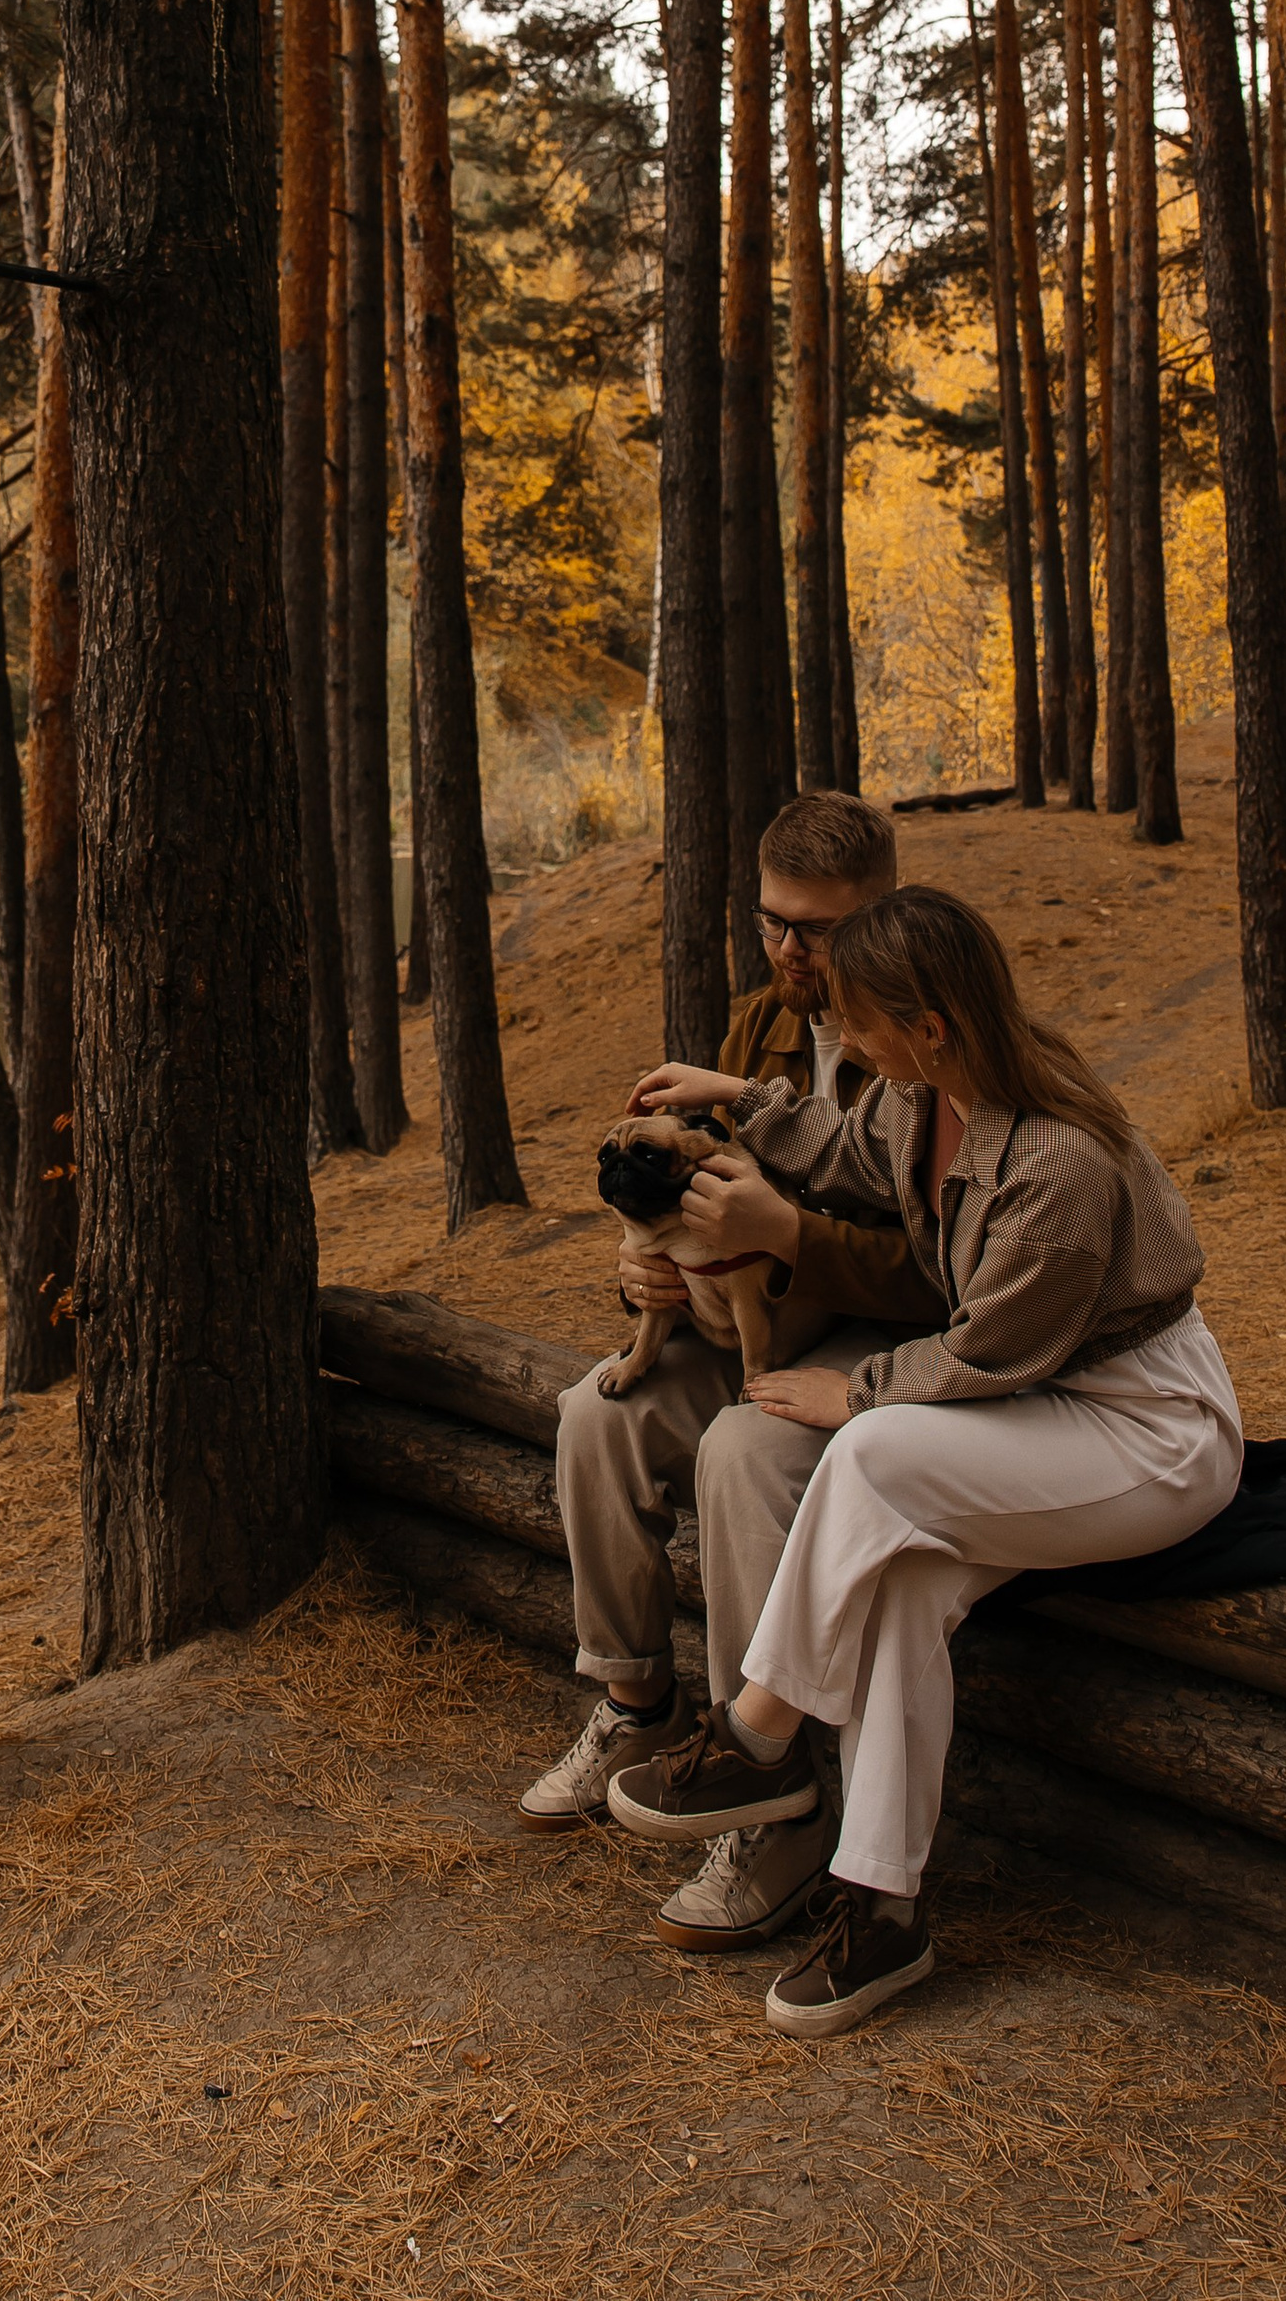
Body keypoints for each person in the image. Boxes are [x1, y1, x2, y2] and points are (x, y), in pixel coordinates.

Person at [599, 883, 1241, 2040]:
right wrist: (740, 1095)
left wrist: (854, 1391)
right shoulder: (924, 1091)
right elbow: (847, 1151)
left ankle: (756, 1733)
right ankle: (883, 1911)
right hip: (1035, 1404)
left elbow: (991, 1350)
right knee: (896, 1582)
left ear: (930, 1025)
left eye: (862, 1019)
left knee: (874, 1448)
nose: (847, 1039)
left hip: (1143, 1428)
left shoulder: (1057, 1165)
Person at [515, 790, 946, 1961]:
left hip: (866, 1334)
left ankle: (776, 1786)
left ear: (885, 916)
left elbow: (943, 1273)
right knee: (591, 1420)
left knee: (744, 1451)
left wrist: (791, 1233)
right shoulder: (757, 1027)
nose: (794, 952)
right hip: (751, 1325)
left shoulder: (928, 1042)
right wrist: (643, 1271)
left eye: (820, 929)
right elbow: (687, 1193)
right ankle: (634, 1701)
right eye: (774, 924)